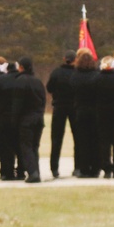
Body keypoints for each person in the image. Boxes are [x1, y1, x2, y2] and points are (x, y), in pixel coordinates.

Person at [12, 56, 46, 183]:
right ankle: (36, 170)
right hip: (38, 118)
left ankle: (32, 172)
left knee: (26, 146)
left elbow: (17, 103)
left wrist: (14, 119)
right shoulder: (37, 81)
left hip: (26, 119)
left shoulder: (20, 81)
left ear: (21, 67)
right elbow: (43, 101)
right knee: (34, 147)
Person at [46, 50, 77, 178]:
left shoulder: (56, 72)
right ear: (75, 60)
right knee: (78, 138)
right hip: (74, 107)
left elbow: (49, 88)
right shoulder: (76, 73)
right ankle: (78, 167)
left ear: (64, 59)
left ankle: (54, 168)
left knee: (56, 138)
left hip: (59, 106)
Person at [70, 50, 100, 178]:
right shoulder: (97, 76)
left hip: (81, 110)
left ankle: (84, 168)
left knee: (82, 141)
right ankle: (96, 168)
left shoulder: (75, 76)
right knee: (95, 140)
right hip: (96, 110)